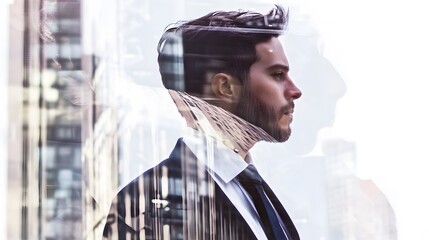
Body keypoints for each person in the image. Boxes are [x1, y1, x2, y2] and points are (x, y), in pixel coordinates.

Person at [103, 5, 302, 239]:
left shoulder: (261, 194)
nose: (295, 90)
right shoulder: (144, 203)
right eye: (277, 75)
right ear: (226, 87)